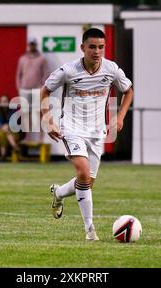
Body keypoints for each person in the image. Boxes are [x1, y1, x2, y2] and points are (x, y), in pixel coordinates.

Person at [40, 28, 133, 241]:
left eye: (101, 47)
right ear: (83, 48)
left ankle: (59, 193)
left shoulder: (111, 70)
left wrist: (120, 116)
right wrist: (48, 119)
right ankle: (90, 230)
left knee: (87, 183)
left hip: (96, 132)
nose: (97, 51)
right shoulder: (68, 70)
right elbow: (45, 90)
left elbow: (128, 90)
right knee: (82, 172)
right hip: (71, 128)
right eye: (92, 47)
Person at [16, 36, 48, 141]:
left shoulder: (42, 59)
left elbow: (45, 74)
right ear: (28, 45)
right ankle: (28, 138)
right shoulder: (22, 59)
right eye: (30, 44)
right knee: (26, 114)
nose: (31, 46)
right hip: (25, 89)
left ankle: (40, 138)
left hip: (37, 89)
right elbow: (18, 75)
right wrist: (19, 88)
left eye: (33, 44)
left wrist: (42, 88)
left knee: (38, 113)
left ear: (36, 45)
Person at [0, 95, 23, 160]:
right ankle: (14, 146)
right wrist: (3, 126)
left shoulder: (13, 110)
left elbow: (14, 122)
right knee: (1, 134)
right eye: (3, 101)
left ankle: (3, 155)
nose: (5, 103)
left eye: (6, 101)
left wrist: (8, 126)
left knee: (5, 133)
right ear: (0, 103)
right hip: (2, 129)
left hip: (13, 130)